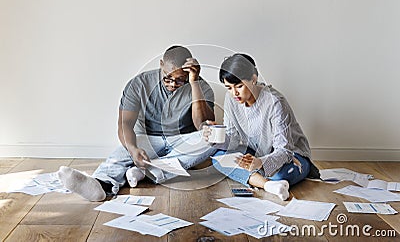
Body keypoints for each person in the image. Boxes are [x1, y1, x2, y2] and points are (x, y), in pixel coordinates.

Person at [58, 46, 217, 201]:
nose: (172, 84)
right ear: (161, 64)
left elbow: (201, 125)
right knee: (123, 151)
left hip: (182, 141)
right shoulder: (139, 83)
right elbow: (124, 124)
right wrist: (133, 149)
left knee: (215, 140)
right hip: (147, 139)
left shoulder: (201, 87)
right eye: (167, 78)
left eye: (180, 80)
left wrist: (194, 83)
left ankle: (147, 173)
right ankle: (101, 184)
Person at [203, 53, 319, 201]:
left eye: (239, 86)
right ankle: (269, 185)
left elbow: (284, 150)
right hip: (257, 153)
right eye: (229, 88)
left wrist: (261, 163)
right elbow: (233, 139)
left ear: (254, 79)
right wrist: (213, 137)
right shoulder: (231, 99)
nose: (234, 93)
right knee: (218, 158)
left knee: (279, 174)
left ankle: (267, 180)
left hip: (293, 156)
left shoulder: (275, 102)